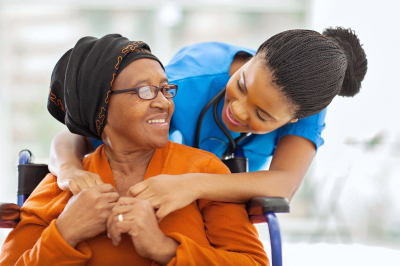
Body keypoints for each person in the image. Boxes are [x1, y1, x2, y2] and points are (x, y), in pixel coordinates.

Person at [0, 34, 268, 266]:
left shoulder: (204, 170)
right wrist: (65, 232)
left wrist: (163, 248)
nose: (164, 102)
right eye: (145, 91)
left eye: (165, 89)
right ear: (100, 106)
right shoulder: (63, 184)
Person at [49, 27, 368, 221]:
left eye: (262, 115)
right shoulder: (184, 83)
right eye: (241, 85)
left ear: (294, 119)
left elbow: (283, 185)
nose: (239, 112)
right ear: (254, 57)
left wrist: (191, 184)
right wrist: (69, 170)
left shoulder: (305, 104)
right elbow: (73, 135)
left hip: (206, 218)